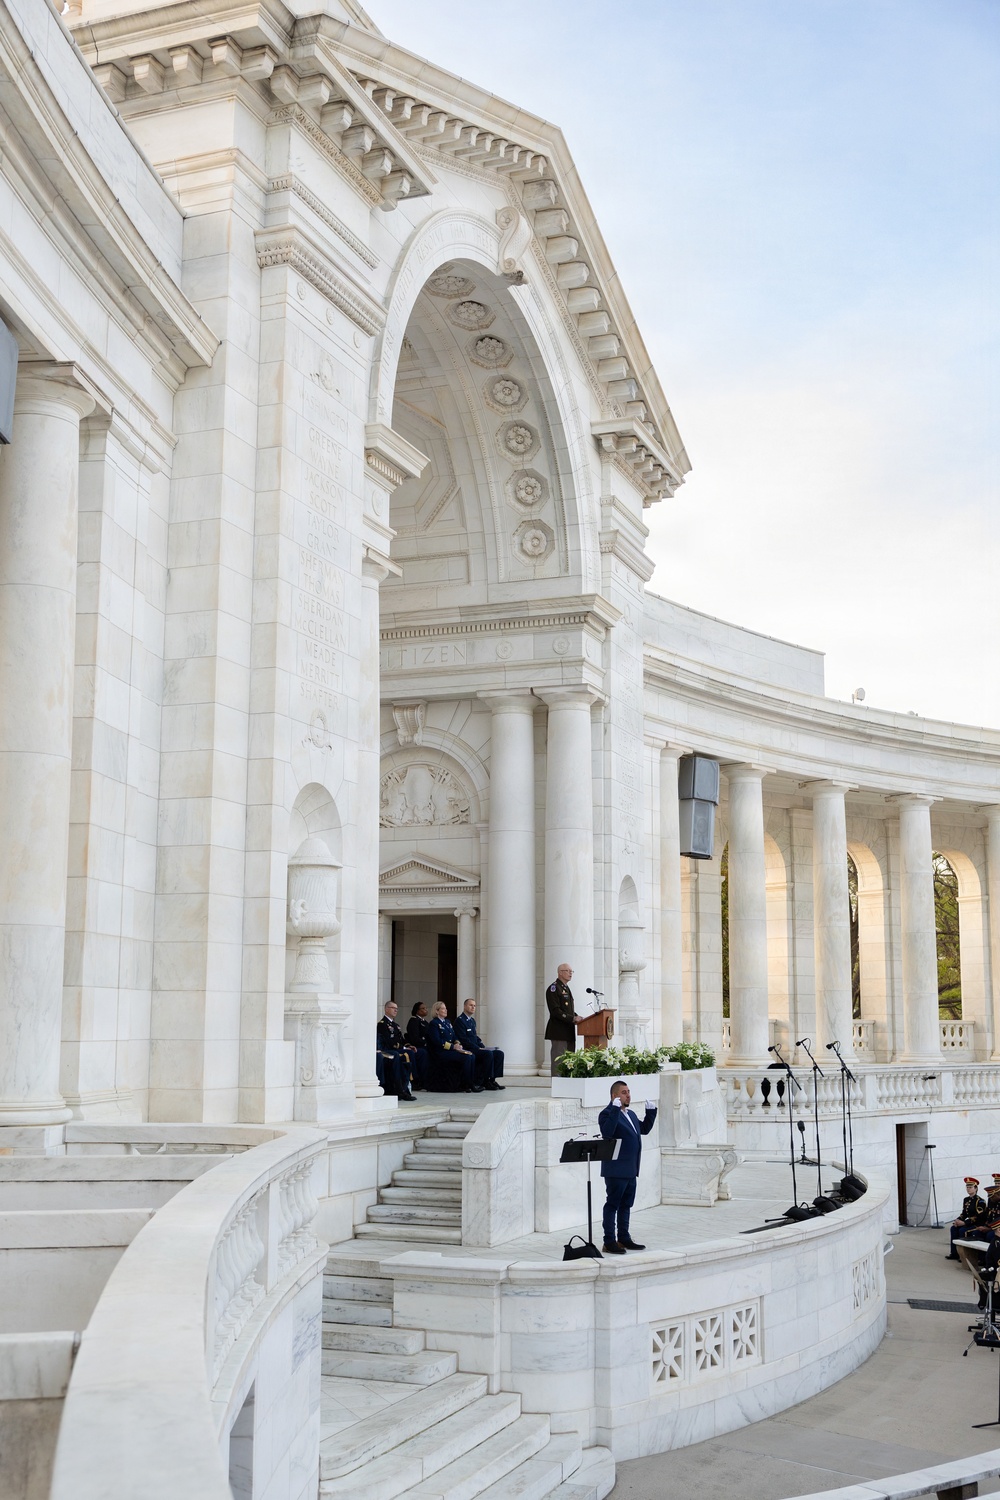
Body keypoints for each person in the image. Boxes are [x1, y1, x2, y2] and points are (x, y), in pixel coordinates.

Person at [597, 1079, 657, 1254]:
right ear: (614, 1096)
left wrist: (651, 1112)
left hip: (631, 1169)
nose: (628, 1095)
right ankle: (609, 1241)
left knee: (626, 1205)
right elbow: (608, 1132)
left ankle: (623, 1238)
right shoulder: (607, 1113)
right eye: (624, 1092)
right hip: (616, 1169)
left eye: (629, 1091)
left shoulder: (629, 1115)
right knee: (612, 1205)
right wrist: (614, 1109)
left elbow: (643, 1129)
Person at [427, 1000, 481, 1092]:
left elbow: (454, 1036)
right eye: (443, 1009)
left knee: (471, 1056)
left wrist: (457, 1043)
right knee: (466, 1058)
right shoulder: (434, 1023)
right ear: (437, 1011)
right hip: (441, 1052)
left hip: (450, 1050)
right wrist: (452, 1047)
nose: (446, 1010)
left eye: (446, 1008)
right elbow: (437, 1041)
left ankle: (471, 1082)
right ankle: (466, 1084)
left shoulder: (447, 1022)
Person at [453, 999, 504, 1091]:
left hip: (476, 1047)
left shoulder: (472, 1021)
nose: (473, 1007)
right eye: (470, 1005)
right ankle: (485, 1081)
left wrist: (482, 1046)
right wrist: (478, 1048)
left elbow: (475, 1037)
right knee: (488, 1054)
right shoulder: (460, 1021)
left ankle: (492, 1080)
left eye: (474, 1006)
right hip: (468, 1048)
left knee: (499, 1053)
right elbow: (463, 1039)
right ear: (465, 1006)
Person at [544, 963, 582, 1076]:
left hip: (568, 1031)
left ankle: (567, 1084)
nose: (570, 973)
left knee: (569, 1061)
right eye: (567, 971)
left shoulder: (565, 988)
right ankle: (557, 1085)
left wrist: (576, 1016)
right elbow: (555, 1011)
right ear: (560, 972)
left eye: (571, 971)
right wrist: (572, 1018)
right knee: (559, 1061)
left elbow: (567, 1010)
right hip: (559, 1031)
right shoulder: (554, 988)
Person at [376, 1001, 416, 1101]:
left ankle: (406, 1086)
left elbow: (401, 1040)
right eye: (393, 1008)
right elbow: (389, 1042)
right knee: (399, 1055)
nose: (396, 1010)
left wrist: (407, 1046)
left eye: (397, 1008)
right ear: (386, 1009)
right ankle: (399, 1089)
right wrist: (402, 1048)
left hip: (396, 1050)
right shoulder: (382, 1024)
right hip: (386, 1051)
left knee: (411, 1052)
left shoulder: (396, 1025)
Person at [948, 1176, 987, 1260]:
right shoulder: (966, 1200)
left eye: (970, 1187)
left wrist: (965, 1223)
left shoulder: (980, 1201)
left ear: (976, 1188)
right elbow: (964, 1214)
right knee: (953, 1228)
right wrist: (958, 1220)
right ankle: (954, 1253)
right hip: (968, 1223)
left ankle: (965, 1256)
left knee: (963, 1231)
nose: (968, 1189)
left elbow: (978, 1217)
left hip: (976, 1224)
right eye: (967, 1187)